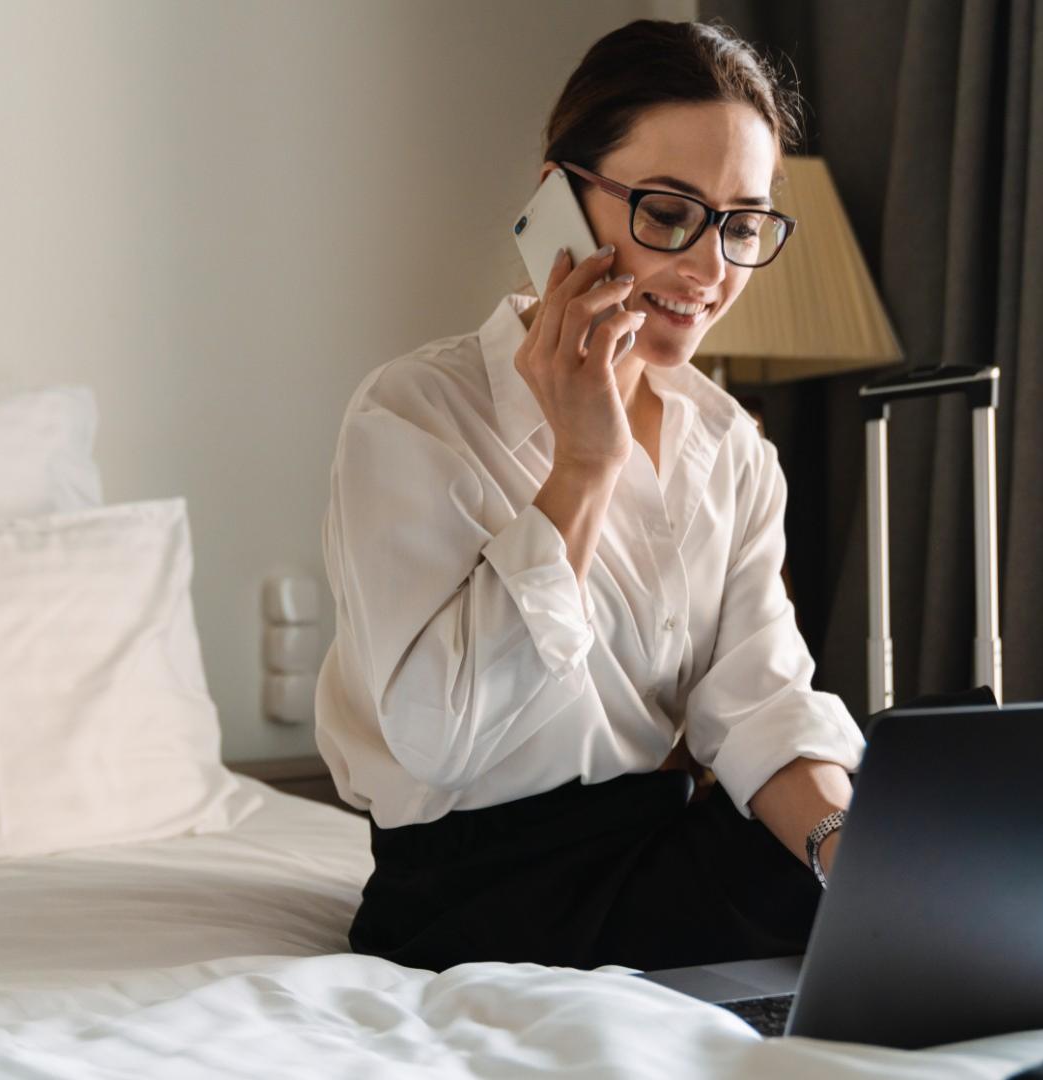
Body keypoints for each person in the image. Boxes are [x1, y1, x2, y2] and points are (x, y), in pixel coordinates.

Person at [314, 18, 865, 973]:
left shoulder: (731, 449)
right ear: (558, 201)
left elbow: (762, 705)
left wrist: (851, 857)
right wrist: (583, 465)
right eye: (666, 212)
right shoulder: (413, 414)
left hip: (650, 849)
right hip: (467, 890)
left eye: (740, 223)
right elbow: (439, 739)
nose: (708, 270)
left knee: (950, 883)